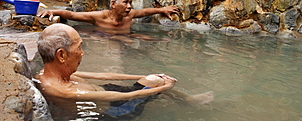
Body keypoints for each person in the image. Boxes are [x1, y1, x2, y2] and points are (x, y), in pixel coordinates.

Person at [35, 23, 213, 118]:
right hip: (114, 112)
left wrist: (141, 76)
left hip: (107, 93)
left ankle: (186, 99)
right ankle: (188, 101)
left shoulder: (52, 73)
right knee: (156, 82)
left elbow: (103, 76)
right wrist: (162, 87)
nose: (83, 53)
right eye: (79, 48)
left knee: (152, 79)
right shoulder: (62, 91)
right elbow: (124, 97)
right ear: (61, 55)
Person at [37, 0, 179, 34]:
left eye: (130, 2)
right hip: (104, 39)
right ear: (113, 4)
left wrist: (162, 9)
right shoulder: (100, 17)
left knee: (150, 39)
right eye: (125, 3)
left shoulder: (129, 15)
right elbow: (73, 15)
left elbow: (144, 12)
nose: (129, 6)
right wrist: (53, 11)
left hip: (126, 40)